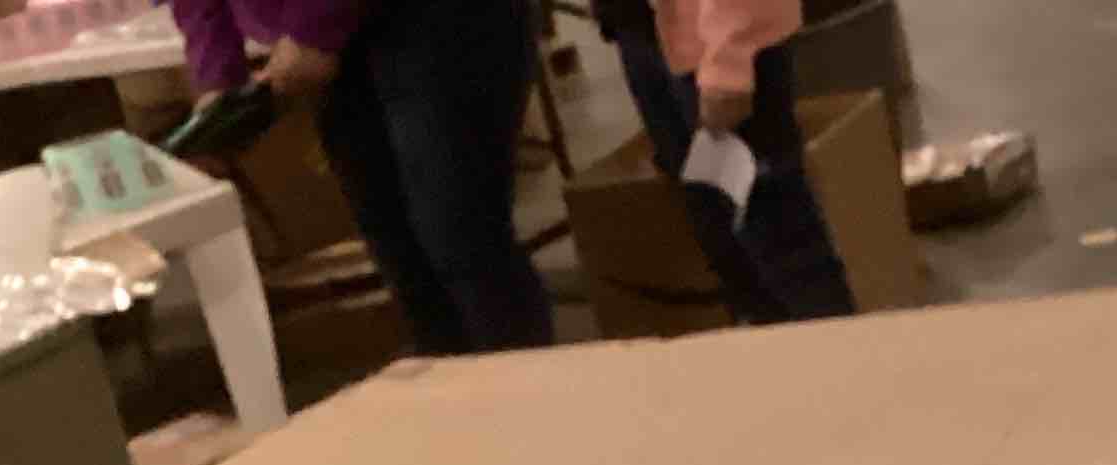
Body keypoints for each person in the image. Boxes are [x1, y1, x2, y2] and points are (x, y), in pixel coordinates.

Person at [170, 0, 555, 355]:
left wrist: (315, 25)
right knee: (397, 249)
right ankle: (460, 394)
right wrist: (217, 75)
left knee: (460, 235)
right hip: (337, 38)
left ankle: (530, 393)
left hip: (436, 16)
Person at [591, 0, 856, 326]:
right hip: (642, 27)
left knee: (779, 239)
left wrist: (731, 56)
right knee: (723, 236)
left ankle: (837, 352)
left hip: (718, 31)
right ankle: (777, 345)